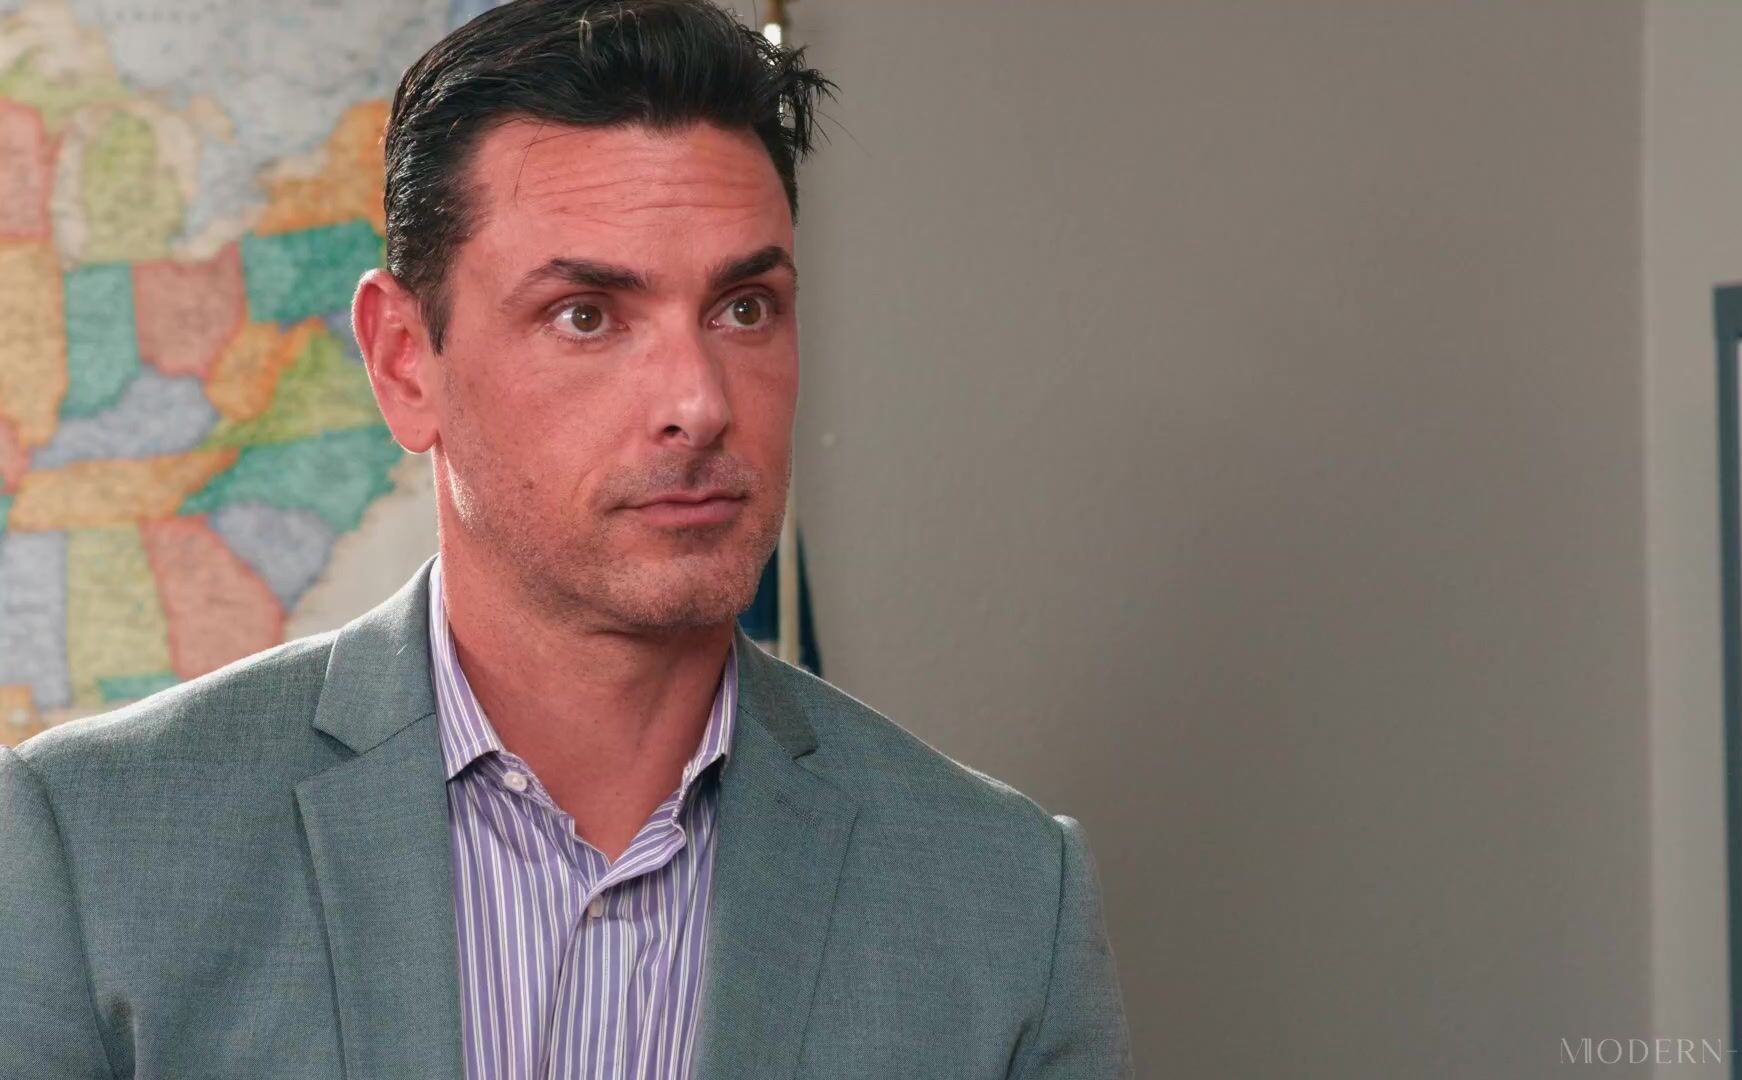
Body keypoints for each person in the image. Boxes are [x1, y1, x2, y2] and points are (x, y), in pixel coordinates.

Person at [0, 1, 1134, 1077]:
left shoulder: (1006, 903)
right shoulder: (89, 850)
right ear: (403, 362)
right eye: (586, 315)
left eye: (744, 308)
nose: (699, 402)